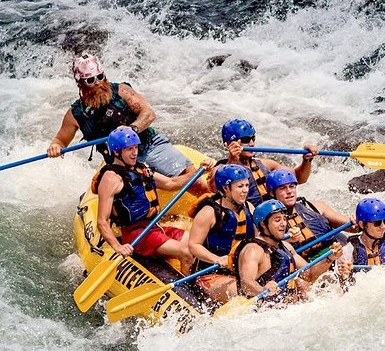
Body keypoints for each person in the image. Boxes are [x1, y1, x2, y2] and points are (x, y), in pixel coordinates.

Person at [47, 53, 207, 191]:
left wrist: (132, 129)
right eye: (90, 80)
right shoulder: (75, 114)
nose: (97, 83)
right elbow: (61, 140)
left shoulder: (122, 91)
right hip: (118, 163)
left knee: (196, 182)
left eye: (100, 77)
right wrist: (55, 147)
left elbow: (149, 114)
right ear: (80, 83)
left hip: (149, 146)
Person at [92, 128, 211, 274]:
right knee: (186, 252)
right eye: (129, 149)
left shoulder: (141, 169)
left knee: (195, 244)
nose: (135, 152)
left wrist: (199, 171)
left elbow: (170, 183)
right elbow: (101, 221)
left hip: (154, 227)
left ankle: (200, 277)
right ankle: (189, 291)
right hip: (136, 234)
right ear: (117, 152)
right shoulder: (111, 178)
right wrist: (118, 246)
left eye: (136, 147)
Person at [233, 199, 343, 304]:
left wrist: (329, 258)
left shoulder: (286, 246)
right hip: (265, 313)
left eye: (284, 219)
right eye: (277, 220)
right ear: (263, 224)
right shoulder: (253, 250)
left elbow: (309, 275)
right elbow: (246, 282)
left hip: (288, 311)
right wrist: (262, 290)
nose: (283, 224)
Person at [187, 164, 256, 304]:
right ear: (226, 188)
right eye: (240, 186)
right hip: (210, 275)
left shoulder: (249, 208)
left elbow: (258, 239)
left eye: (246, 186)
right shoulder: (209, 212)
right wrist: (216, 259)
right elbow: (193, 245)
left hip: (241, 271)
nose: (245, 191)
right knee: (244, 295)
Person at [217, 118, 319, 206]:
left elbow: (299, 178)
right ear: (230, 144)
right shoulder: (220, 169)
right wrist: (232, 161)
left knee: (318, 205)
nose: (252, 143)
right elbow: (213, 188)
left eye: (253, 138)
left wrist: (307, 159)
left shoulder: (265, 164)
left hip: (275, 216)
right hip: (252, 220)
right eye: (245, 140)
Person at [265, 168, 358, 260]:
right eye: (282, 188)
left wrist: (357, 221)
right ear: (272, 193)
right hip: (308, 265)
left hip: (336, 254)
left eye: (292, 186)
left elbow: (352, 227)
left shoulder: (314, 206)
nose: (289, 191)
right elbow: (267, 250)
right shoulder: (269, 221)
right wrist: (286, 239)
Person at [337, 198, 385, 278]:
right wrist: (343, 276)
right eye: (377, 223)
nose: (383, 226)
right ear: (362, 224)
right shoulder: (348, 252)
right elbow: (341, 287)